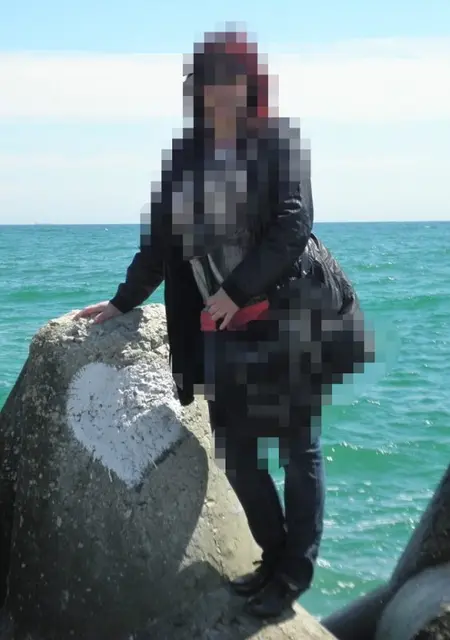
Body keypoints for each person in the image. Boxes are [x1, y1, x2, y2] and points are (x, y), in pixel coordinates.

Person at [75, 30, 374, 618]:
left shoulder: (278, 143)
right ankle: (274, 556)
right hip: (225, 329)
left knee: (297, 448)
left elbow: (293, 225)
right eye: (196, 83)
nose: (204, 92)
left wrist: (236, 292)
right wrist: (122, 302)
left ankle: (292, 575)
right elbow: (160, 245)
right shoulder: (184, 159)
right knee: (236, 452)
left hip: (290, 316)